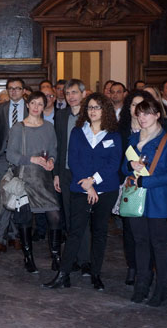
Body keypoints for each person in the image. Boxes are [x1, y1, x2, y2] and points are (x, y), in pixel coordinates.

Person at [45, 93, 122, 290]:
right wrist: (87, 185)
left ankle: (96, 273)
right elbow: (74, 160)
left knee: (99, 233)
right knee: (75, 232)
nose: (93, 111)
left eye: (97, 107)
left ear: (105, 110)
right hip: (80, 187)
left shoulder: (114, 134)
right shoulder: (79, 132)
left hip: (106, 189)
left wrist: (93, 181)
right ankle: (64, 274)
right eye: (90, 107)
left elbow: (113, 163)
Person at [122, 99, 167, 306]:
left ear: (157, 115)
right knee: (140, 243)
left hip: (157, 199)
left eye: (147, 113)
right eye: (139, 114)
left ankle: (162, 288)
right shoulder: (133, 139)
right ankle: (141, 285)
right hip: (137, 198)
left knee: (159, 244)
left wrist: (146, 180)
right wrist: (131, 165)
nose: (142, 118)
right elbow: (123, 168)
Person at [6, 92, 60, 273]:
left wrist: (51, 160)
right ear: (27, 105)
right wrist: (31, 159)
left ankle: (56, 255)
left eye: (40, 104)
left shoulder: (49, 127)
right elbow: (10, 155)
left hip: (44, 178)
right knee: (25, 219)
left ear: (44, 106)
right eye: (33, 103)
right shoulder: (18, 128)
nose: (36, 107)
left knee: (54, 216)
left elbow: (53, 149)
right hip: (25, 177)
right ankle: (28, 256)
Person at [53, 79, 91, 275]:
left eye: (75, 92)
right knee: (69, 217)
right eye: (68, 93)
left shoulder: (91, 115)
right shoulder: (61, 115)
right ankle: (74, 257)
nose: (71, 96)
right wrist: (57, 174)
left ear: (83, 94)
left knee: (82, 217)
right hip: (66, 172)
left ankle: (85, 260)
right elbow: (58, 147)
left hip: (85, 174)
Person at [117, 89, 154, 285]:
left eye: (141, 105)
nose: (136, 110)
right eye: (132, 105)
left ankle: (147, 267)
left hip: (151, 185)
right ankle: (132, 266)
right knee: (130, 229)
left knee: (148, 230)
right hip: (128, 184)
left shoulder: (156, 130)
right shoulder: (121, 131)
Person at [0, 78, 27, 256]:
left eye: (17, 89)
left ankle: (16, 235)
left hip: (23, 159)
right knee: (4, 197)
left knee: (20, 197)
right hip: (3, 158)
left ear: (23, 90)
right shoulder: (1, 108)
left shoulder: (31, 108)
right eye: (10, 89)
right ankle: (1, 239)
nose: (14, 92)